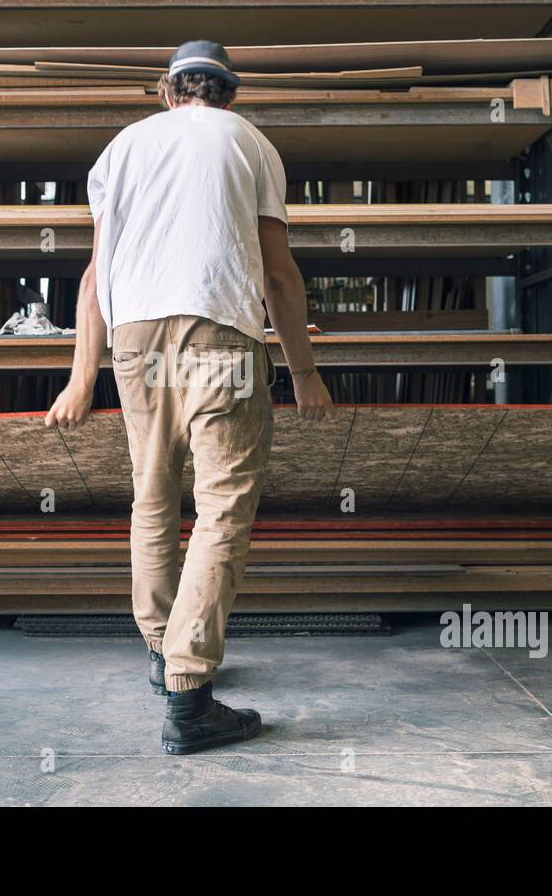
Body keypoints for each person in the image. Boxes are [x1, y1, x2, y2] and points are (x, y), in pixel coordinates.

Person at [45, 40, 335, 754]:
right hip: (219, 335)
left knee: (152, 492)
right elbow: (278, 275)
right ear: (230, 94)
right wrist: (304, 371)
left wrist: (83, 376)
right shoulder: (251, 142)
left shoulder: (122, 148)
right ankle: (189, 693)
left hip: (136, 337)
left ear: (167, 92)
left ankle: (160, 649)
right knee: (221, 509)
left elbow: (94, 279)